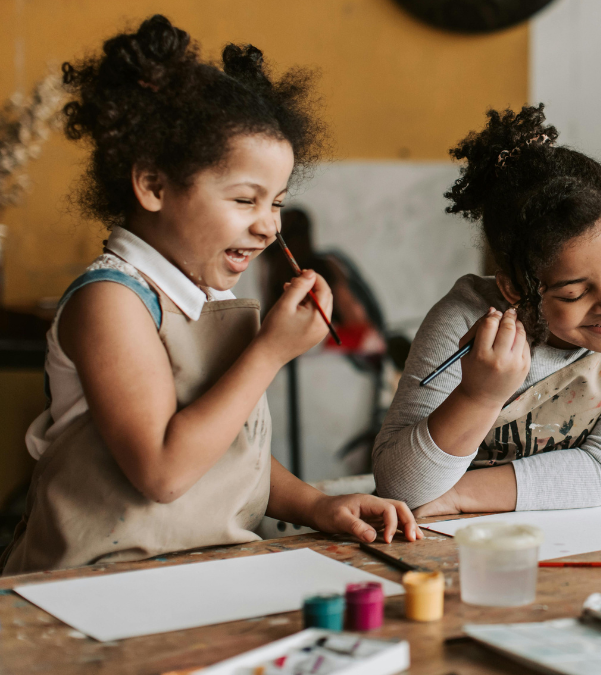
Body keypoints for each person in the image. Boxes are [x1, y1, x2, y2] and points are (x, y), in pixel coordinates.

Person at [2, 15, 420, 575]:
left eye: (276, 202)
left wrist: (315, 505)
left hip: (203, 572)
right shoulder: (111, 301)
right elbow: (165, 471)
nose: (270, 227)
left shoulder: (209, 297)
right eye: (246, 200)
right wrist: (269, 353)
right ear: (153, 186)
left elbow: (224, 451)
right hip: (92, 589)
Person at [373, 104, 601, 516]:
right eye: (574, 294)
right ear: (515, 289)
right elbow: (400, 486)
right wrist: (479, 395)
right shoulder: (464, 320)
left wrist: (454, 495)